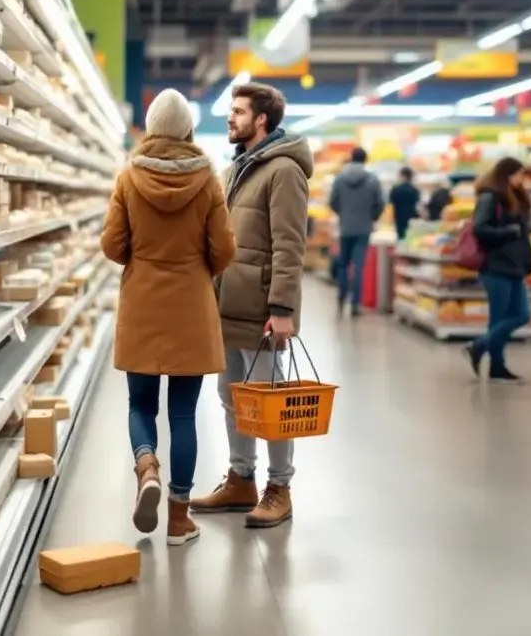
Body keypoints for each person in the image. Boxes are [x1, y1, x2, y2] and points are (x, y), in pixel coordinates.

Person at [100, 88, 236, 546]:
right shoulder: (209, 181)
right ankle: (179, 520)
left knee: (141, 404)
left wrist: (143, 258)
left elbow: (112, 245)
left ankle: (146, 467)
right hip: (191, 308)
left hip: (142, 304)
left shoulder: (127, 178)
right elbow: (225, 251)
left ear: (151, 128)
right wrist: (196, 267)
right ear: (188, 130)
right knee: (183, 413)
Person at [190, 81, 312, 528]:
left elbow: (289, 245)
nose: (230, 118)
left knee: (270, 402)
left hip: (262, 311)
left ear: (261, 119)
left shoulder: (284, 171)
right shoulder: (237, 169)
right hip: (226, 305)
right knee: (231, 398)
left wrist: (282, 308)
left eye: (238, 111)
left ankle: (279, 487)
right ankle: (241, 479)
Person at [463, 157, 531, 382]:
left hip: (515, 265)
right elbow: (480, 229)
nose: (522, 179)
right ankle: (493, 362)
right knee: (506, 317)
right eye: (519, 174)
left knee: (520, 314)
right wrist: (508, 231)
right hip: (496, 265)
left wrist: (527, 260)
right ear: (508, 174)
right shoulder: (490, 198)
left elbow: (523, 236)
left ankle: (485, 353)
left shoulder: (517, 199)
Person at [329, 147, 384, 316]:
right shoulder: (373, 180)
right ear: (365, 160)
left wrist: (343, 214)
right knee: (359, 266)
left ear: (351, 158)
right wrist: (371, 217)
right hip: (364, 229)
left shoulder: (339, 179)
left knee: (343, 264)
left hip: (345, 228)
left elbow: (333, 202)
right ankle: (355, 304)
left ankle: (341, 297)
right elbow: (380, 203)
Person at [389, 166, 421, 240]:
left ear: (402, 175)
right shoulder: (414, 190)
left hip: (398, 216)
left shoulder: (395, 189)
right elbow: (418, 204)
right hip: (411, 216)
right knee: (411, 237)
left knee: (400, 236)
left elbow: (391, 203)